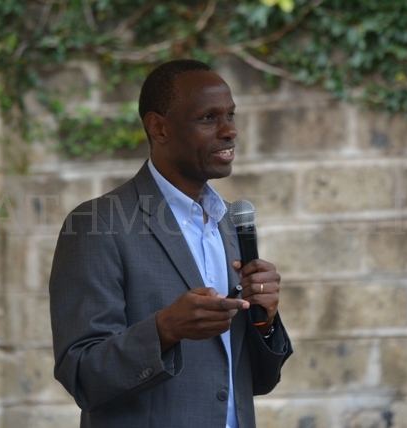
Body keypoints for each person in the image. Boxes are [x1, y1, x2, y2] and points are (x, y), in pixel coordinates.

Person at [49, 59, 293, 428]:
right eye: (208, 118)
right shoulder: (97, 224)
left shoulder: (228, 223)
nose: (230, 131)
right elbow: (82, 375)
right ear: (159, 127)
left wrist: (266, 320)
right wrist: (164, 329)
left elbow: (251, 382)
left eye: (230, 115)